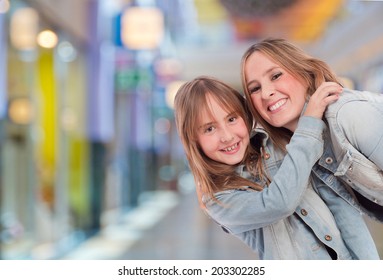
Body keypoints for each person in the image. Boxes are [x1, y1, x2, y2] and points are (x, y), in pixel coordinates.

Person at [173, 75, 379, 259]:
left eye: (232, 119)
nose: (227, 136)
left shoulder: (280, 146)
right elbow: (278, 203)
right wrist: (310, 122)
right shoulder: (218, 200)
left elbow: (338, 203)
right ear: (193, 139)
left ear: (245, 116)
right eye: (209, 128)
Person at [241, 38, 383, 221]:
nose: (266, 93)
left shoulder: (346, 114)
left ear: (304, 72)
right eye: (255, 88)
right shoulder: (300, 148)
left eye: (276, 76)